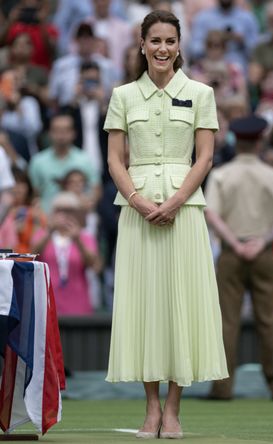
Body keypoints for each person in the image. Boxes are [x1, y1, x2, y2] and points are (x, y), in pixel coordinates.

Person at [104, 10, 228, 439]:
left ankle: (174, 409)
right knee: (145, 307)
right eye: (154, 40)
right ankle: (151, 408)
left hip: (185, 213)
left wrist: (176, 201)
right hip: (137, 213)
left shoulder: (200, 92)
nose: (162, 49)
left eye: (169, 41)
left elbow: (205, 157)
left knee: (183, 305)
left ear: (179, 45)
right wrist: (139, 202)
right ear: (141, 44)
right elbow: (114, 159)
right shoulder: (122, 95)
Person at [204, 114, 273, 400]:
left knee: (227, 321)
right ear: (259, 141)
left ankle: (222, 388)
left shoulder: (221, 175)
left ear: (237, 141)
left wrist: (234, 242)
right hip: (263, 251)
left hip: (233, 253)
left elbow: (211, 214)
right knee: (269, 320)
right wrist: (261, 242)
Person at [31, 191, 100, 316]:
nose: (65, 215)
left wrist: (77, 240)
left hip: (78, 302)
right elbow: (32, 256)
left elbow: (94, 265)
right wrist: (49, 231)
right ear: (53, 212)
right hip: (47, 301)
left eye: (70, 211)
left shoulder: (85, 237)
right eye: (60, 210)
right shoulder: (42, 234)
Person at [28, 112, 101, 213]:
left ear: (73, 133)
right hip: (47, 220)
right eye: (57, 130)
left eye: (66, 130)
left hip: (77, 221)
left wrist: (88, 204)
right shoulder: (37, 161)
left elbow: (96, 189)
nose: (61, 135)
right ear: (49, 133)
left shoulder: (84, 159)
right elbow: (35, 194)